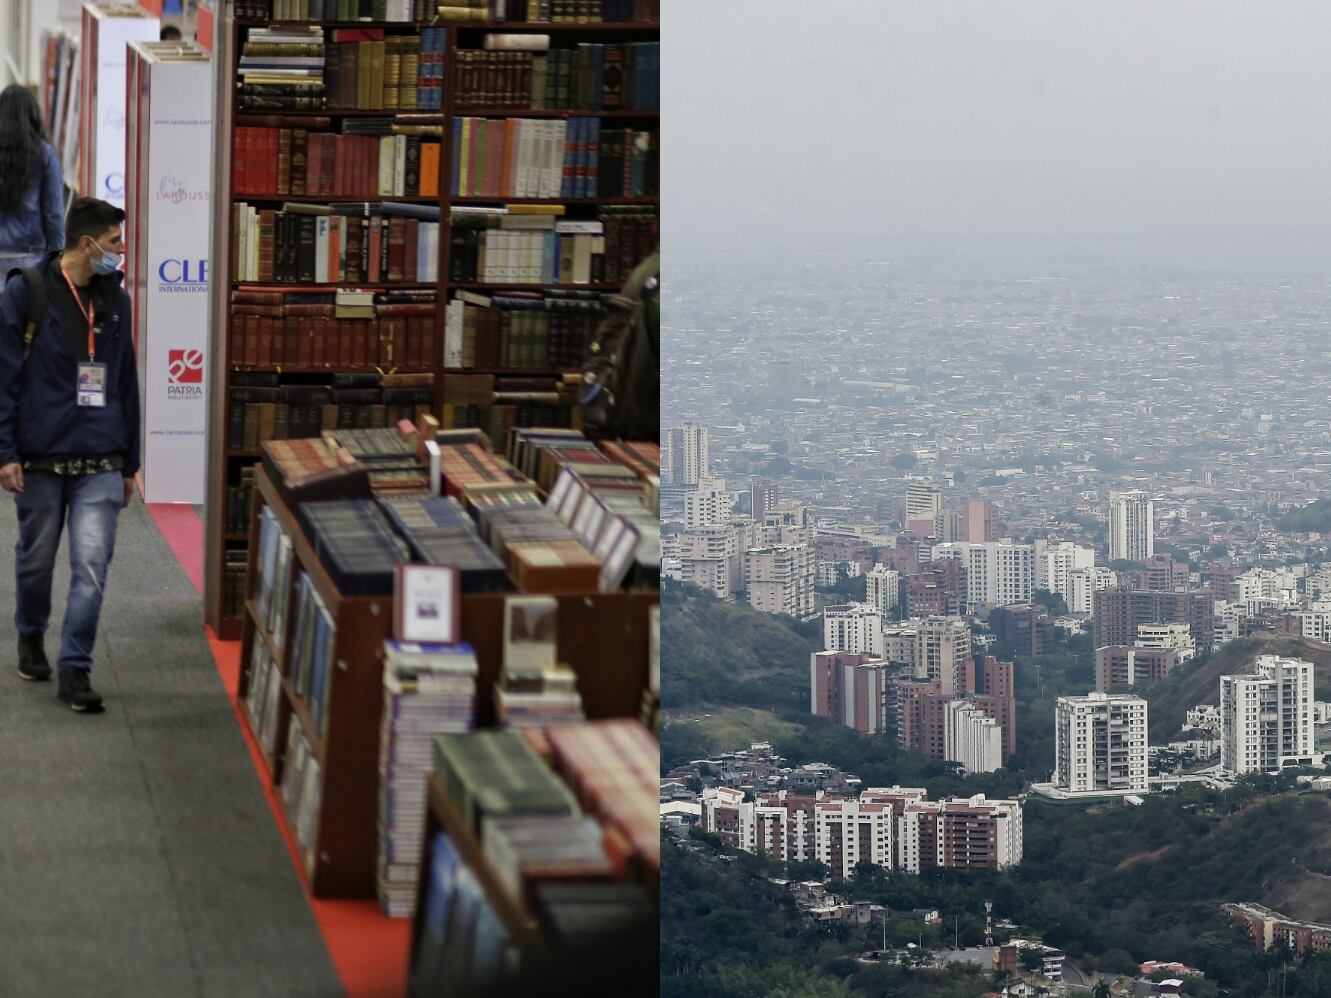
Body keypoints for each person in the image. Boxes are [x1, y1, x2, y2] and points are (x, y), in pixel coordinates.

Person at [0, 197, 140, 712]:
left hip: (100, 457)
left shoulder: (116, 302)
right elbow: (4, 380)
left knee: (91, 565)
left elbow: (126, 381)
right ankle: (30, 634)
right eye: (115, 242)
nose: (120, 253)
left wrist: (131, 463)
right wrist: (4, 452)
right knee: (36, 561)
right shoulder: (26, 292)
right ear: (87, 244)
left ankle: (75, 668)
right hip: (39, 458)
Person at [0, 84, 64, 273]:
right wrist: (58, 260)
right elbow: (53, 214)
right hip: (30, 266)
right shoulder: (44, 154)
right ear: (33, 115)